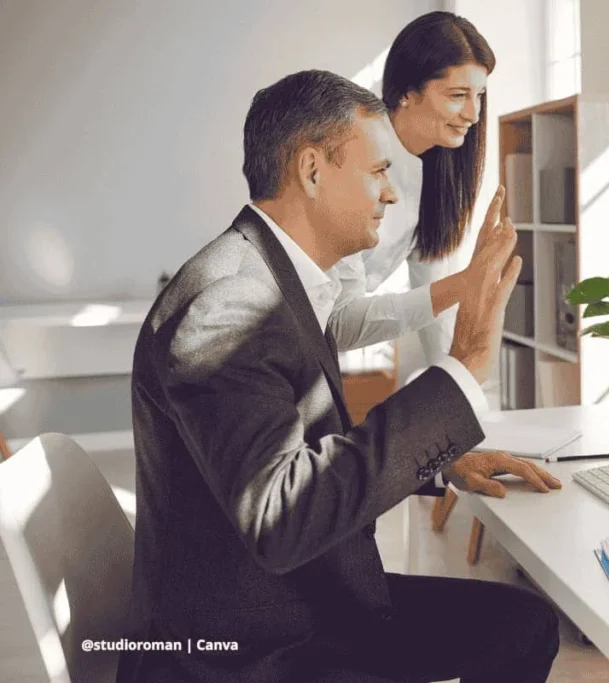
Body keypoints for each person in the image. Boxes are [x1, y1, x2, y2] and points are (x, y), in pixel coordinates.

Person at [118, 70, 562, 683]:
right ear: (311, 170)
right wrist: (467, 358)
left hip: (290, 597)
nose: (392, 195)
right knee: (521, 630)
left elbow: (303, 452)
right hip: (252, 645)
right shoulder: (229, 306)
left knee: (524, 625)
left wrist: (443, 459)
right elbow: (283, 515)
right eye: (379, 171)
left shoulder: (271, 277)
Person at [327, 11, 496, 364]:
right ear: (407, 91)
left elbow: (433, 296)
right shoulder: (352, 159)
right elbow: (339, 323)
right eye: (457, 95)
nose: (473, 114)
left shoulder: (438, 171)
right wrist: (465, 283)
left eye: (479, 95)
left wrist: (458, 387)